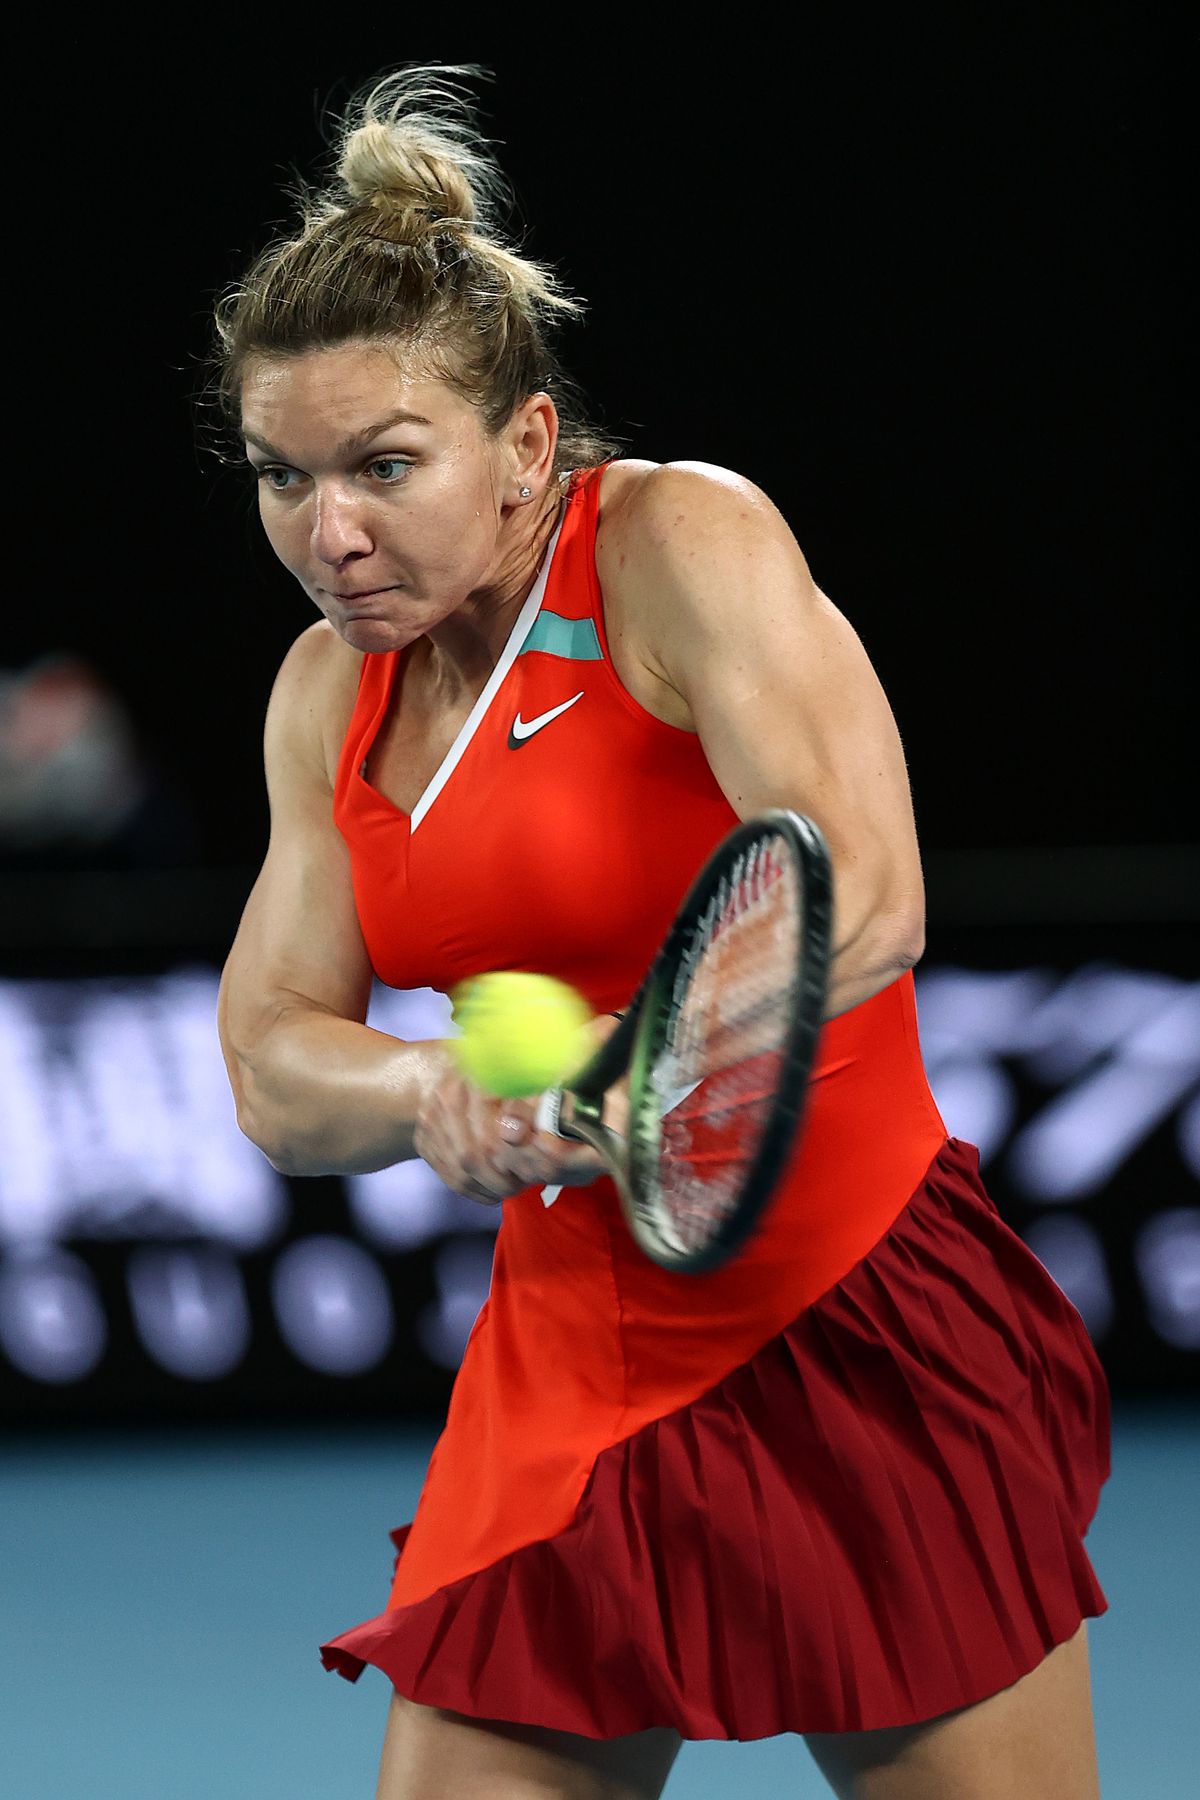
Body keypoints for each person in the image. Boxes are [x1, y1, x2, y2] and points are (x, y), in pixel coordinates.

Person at [215, 65, 1110, 1800]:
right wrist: (430, 1094)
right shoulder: (330, 690)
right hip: (569, 1359)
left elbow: (869, 886)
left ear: (528, 445)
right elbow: (270, 1065)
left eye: (386, 467)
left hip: (853, 1316)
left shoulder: (678, 542)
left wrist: (648, 1065)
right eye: (282, 476)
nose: (330, 533)